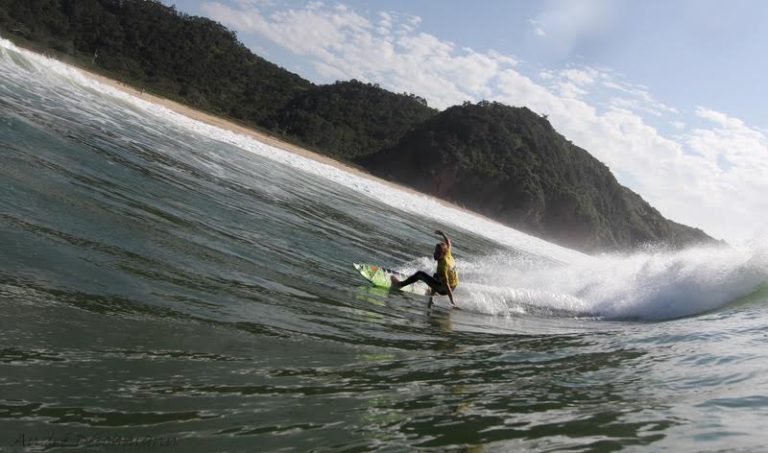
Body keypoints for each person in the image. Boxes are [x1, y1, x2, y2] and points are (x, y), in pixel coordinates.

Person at [392, 230, 459, 308]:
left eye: (438, 253)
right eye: (435, 251)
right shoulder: (447, 253)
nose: (435, 254)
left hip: (444, 289)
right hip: (454, 285)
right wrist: (443, 234)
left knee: (420, 274)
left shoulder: (442, 267)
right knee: (435, 275)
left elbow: (446, 285)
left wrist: (452, 301)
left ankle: (400, 284)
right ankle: (432, 294)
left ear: (443, 254)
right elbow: (448, 243)